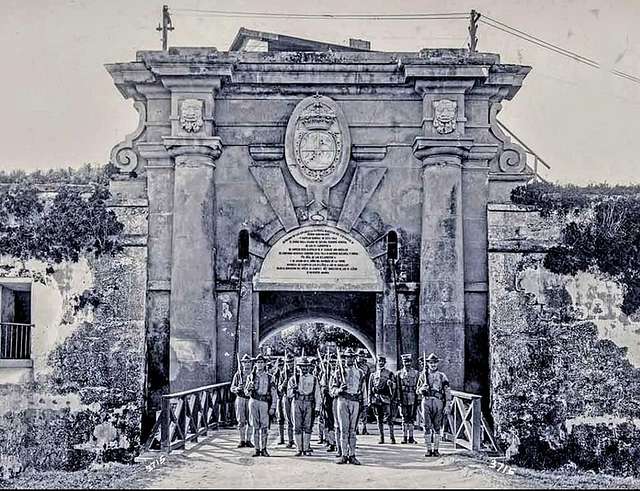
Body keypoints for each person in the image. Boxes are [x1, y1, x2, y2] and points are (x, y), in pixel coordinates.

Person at [330, 347, 366, 465]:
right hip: (343, 400)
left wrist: (365, 403)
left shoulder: (360, 373)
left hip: (355, 401)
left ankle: (352, 455)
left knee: (353, 430)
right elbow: (332, 389)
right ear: (344, 359)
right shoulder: (338, 372)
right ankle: (344, 455)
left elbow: (363, 389)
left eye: (351, 357)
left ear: (354, 358)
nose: (349, 359)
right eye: (347, 357)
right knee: (343, 429)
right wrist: (339, 390)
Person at [416, 353, 453, 457]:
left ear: (437, 363)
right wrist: (422, 389)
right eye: (431, 363)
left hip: (438, 402)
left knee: (437, 426)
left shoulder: (442, 376)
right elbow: (417, 390)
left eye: (435, 363)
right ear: (427, 364)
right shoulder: (423, 375)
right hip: (426, 401)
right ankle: (428, 449)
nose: (433, 365)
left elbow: (447, 390)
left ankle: (436, 449)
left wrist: (447, 404)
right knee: (426, 425)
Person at [245, 354, 278, 457]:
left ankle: (264, 448)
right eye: (258, 362)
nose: (259, 364)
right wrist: (249, 389)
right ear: (255, 364)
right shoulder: (251, 376)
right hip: (254, 401)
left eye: (261, 362)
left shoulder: (270, 377)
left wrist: (273, 406)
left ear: (264, 364)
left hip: (264, 402)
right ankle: (257, 449)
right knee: (255, 426)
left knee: (264, 427)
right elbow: (246, 393)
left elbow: (274, 393)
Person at [288, 356, 322, 456]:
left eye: (306, 366)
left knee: (307, 426)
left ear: (309, 367)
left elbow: (317, 394)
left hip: (308, 403)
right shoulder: (294, 379)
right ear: (299, 367)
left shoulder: (313, 379)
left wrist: (317, 408)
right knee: (297, 426)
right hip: (297, 402)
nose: (304, 368)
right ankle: (299, 448)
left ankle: (306, 448)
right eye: (302, 366)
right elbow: (289, 394)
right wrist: (293, 390)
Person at [368, 354, 396, 444]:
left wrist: (390, 383)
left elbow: (395, 385)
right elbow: (370, 388)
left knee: (389, 418)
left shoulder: (389, 373)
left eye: (382, 361)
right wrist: (369, 400)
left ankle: (392, 437)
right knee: (378, 418)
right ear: (377, 362)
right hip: (376, 398)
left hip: (386, 398)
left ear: (385, 363)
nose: (381, 363)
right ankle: (381, 437)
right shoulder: (373, 374)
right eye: (379, 361)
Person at [230, 354, 254, 448]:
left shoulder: (253, 374)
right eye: (245, 362)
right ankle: (242, 440)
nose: (247, 364)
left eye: (248, 362)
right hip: (240, 399)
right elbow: (232, 388)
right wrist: (237, 388)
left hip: (251, 399)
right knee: (241, 421)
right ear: (242, 364)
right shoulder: (238, 374)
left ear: (251, 364)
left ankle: (248, 440)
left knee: (251, 421)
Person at [396, 353, 419, 444]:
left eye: (409, 361)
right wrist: (398, 398)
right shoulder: (399, 373)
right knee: (404, 418)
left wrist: (418, 398)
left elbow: (418, 386)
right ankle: (404, 437)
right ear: (403, 362)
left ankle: (411, 437)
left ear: (411, 362)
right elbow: (398, 387)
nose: (407, 363)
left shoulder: (416, 373)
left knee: (412, 418)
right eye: (405, 361)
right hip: (403, 398)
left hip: (413, 397)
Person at [356, 349, 371, 435]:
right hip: (356, 389)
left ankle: (364, 428)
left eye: (362, 356)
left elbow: (368, 379)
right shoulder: (354, 366)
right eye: (359, 356)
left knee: (364, 410)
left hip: (364, 389)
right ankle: (356, 428)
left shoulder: (366, 367)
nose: (360, 357)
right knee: (356, 411)